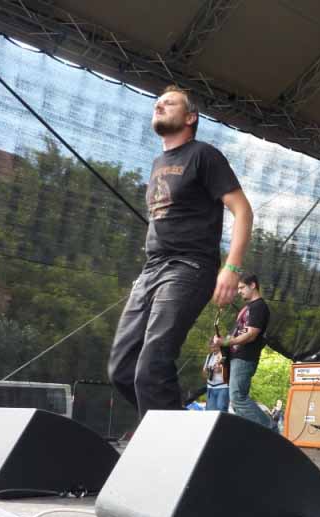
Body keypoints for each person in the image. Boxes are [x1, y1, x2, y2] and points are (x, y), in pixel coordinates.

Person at [108, 85, 253, 418]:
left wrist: (231, 268)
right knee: (122, 370)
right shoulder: (158, 163)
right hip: (151, 270)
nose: (158, 106)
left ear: (190, 118)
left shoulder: (204, 155)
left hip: (189, 267)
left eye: (169, 103)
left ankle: (168, 442)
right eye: (157, 103)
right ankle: (177, 429)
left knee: (152, 365)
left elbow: (243, 211)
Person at [214, 273, 272, 428]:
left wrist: (225, 341)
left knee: (238, 398)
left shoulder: (259, 307)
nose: (239, 291)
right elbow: (236, 333)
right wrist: (222, 350)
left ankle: (270, 428)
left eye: (241, 287)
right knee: (236, 401)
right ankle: (251, 433)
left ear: (253, 285)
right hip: (236, 357)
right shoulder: (247, 309)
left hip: (245, 358)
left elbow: (251, 335)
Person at [202, 344, 229, 411]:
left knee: (221, 410)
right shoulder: (209, 356)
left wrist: (221, 369)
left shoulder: (225, 356)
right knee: (210, 411)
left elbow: (229, 369)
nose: (213, 349)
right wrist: (209, 370)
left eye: (215, 347)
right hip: (210, 387)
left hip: (223, 387)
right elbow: (204, 372)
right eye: (212, 347)